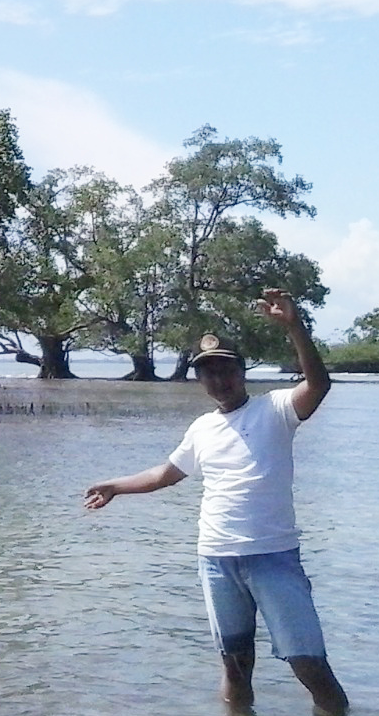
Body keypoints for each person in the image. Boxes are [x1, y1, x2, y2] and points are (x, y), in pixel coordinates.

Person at [84, 288, 349, 715]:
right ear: (199, 379)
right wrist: (117, 485)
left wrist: (294, 327)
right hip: (216, 558)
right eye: (207, 373)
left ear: (242, 371)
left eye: (225, 370)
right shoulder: (202, 428)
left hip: (272, 557)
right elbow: (165, 474)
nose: (218, 380)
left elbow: (318, 383)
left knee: (309, 665)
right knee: (234, 665)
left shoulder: (276, 408)